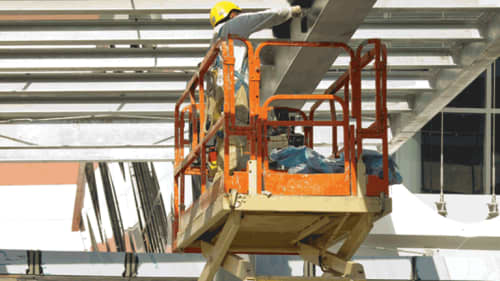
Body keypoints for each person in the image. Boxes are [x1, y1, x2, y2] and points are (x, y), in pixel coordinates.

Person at [203, 1, 303, 185]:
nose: (239, 17)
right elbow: (258, 19)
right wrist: (289, 12)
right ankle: (233, 178)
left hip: (224, 97)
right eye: (236, 14)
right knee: (237, 131)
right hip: (235, 94)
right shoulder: (229, 28)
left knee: (227, 134)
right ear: (230, 15)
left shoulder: (217, 44)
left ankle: (225, 174)